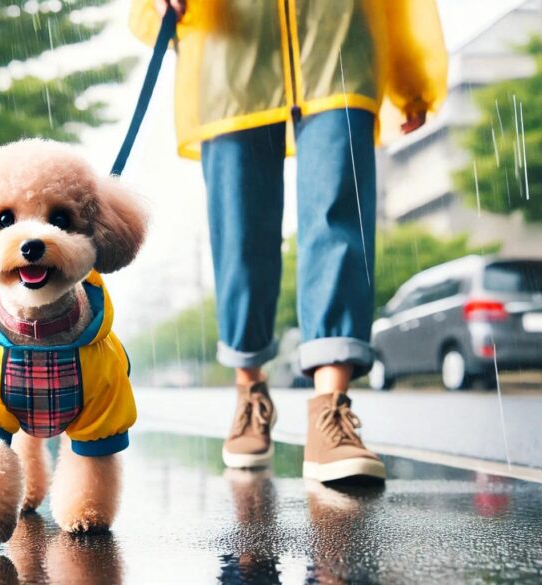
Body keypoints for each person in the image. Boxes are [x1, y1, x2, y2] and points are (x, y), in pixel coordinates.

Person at [129, 0, 447, 480]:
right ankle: (250, 390)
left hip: (339, 33)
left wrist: (409, 72)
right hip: (229, 44)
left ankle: (330, 409)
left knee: (340, 213)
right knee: (240, 232)